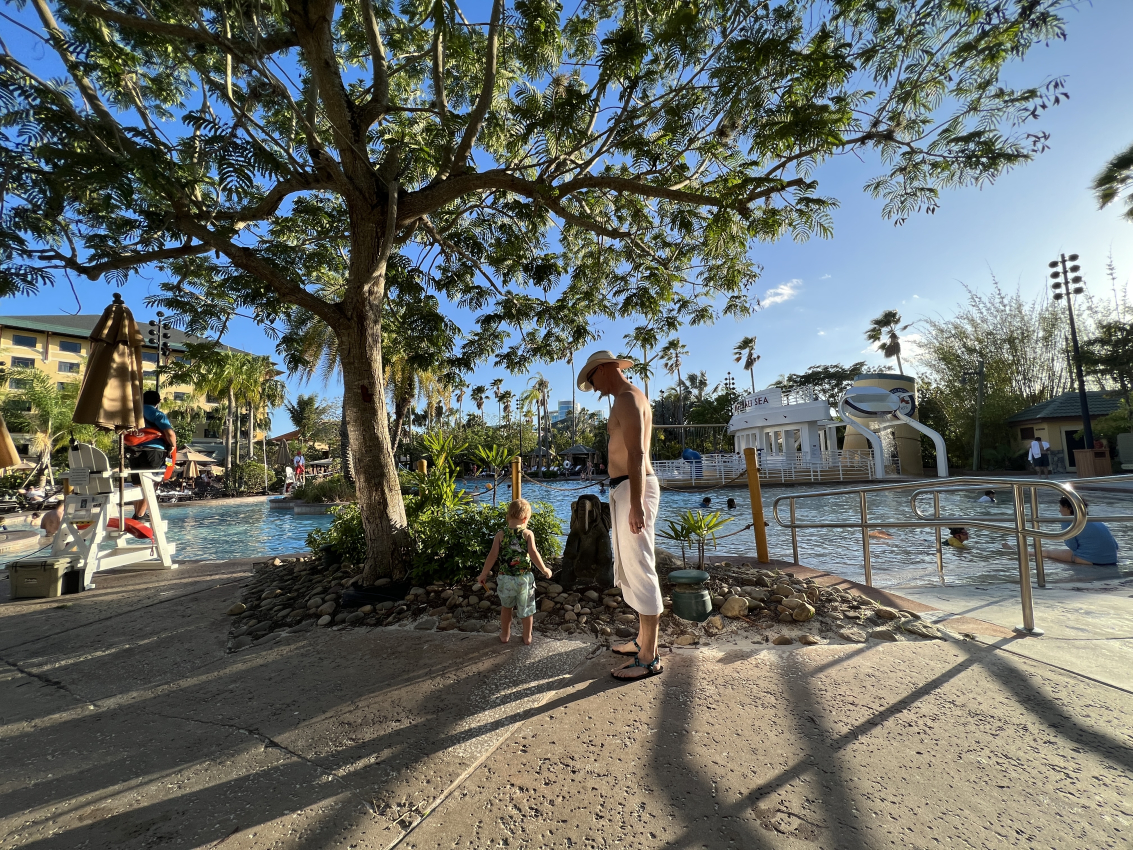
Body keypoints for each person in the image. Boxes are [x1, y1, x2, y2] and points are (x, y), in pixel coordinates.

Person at [578, 349, 664, 681]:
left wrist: (638, 504)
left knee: (641, 567)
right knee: (631, 565)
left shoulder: (628, 398)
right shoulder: (627, 398)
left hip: (633, 488)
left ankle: (649, 657)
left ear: (605, 369)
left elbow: (637, 452)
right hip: (625, 488)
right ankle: (643, 640)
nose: (593, 386)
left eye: (592, 378)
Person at [477, 498, 553, 645]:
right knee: (527, 610)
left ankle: (505, 635)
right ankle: (527, 636)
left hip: (505, 579)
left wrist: (484, 573)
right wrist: (544, 569)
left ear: (508, 517)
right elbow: (533, 553)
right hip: (523, 579)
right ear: (525, 519)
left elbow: (492, 555)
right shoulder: (527, 534)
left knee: (506, 607)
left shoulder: (501, 534)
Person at [125, 390, 176, 521]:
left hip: (133, 451)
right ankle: (140, 515)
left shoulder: (133, 414)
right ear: (158, 402)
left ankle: (137, 513)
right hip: (153, 451)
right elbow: (170, 434)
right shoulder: (157, 413)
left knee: (138, 484)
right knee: (150, 482)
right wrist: (173, 446)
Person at [1044, 497, 1118, 565]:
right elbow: (1116, 546)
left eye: (1060, 507)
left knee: (1047, 553)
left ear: (1068, 508)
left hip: (1090, 560)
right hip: (1112, 559)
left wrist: (1065, 538)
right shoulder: (1095, 520)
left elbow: (1073, 546)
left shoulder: (1067, 520)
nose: (1059, 510)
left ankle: (1032, 553)